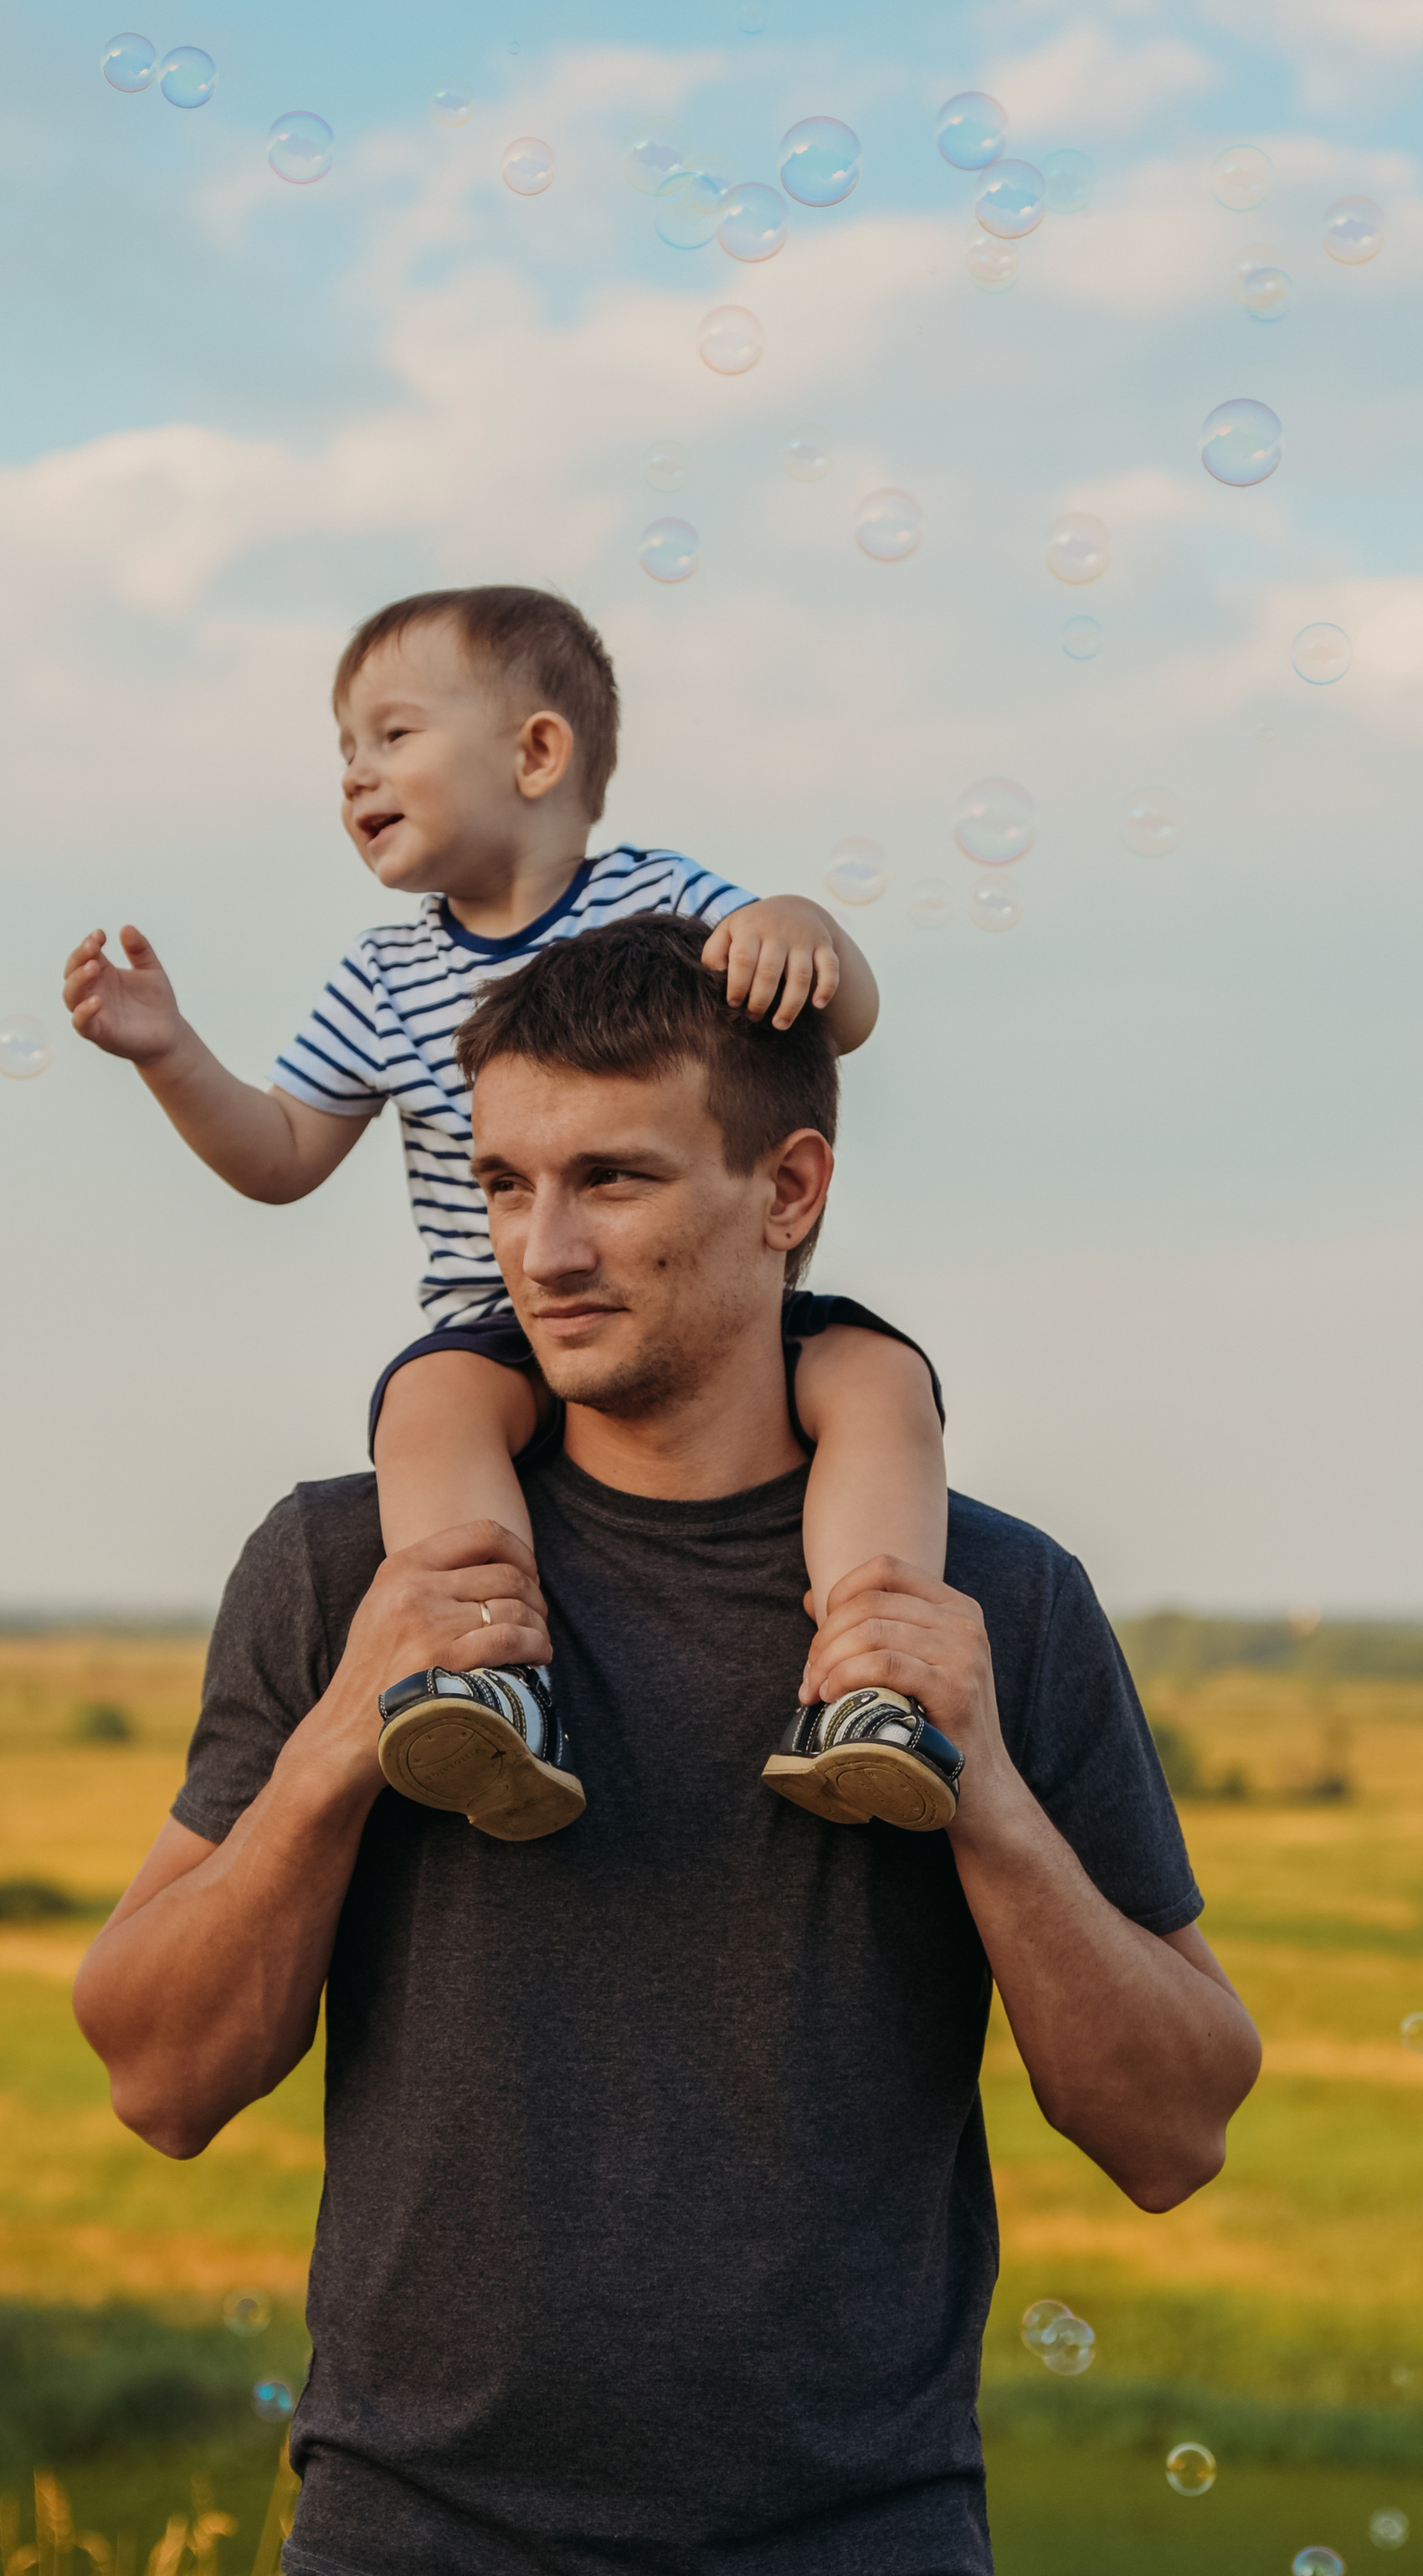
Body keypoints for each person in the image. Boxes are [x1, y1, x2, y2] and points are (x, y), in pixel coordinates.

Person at [73, 912, 1263, 2576]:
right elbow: (155, 2073)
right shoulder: (343, 1566)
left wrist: (981, 1798)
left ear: (787, 1191)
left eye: (611, 1180)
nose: (537, 1250)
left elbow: (1175, 2125)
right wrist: (344, 1736)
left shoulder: (995, 1597)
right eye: (502, 1183)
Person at [61, 582, 952, 1840]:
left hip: (707, 1315)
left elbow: (836, 1018)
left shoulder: (664, 898)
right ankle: (486, 1681)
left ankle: (875, 1688)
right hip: (494, 1324)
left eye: (394, 734)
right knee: (430, 1407)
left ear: (538, 753)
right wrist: (168, 1053)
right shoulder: (384, 975)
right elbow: (280, 1152)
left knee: (881, 1380)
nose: (355, 773)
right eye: (344, 748)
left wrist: (801, 925)